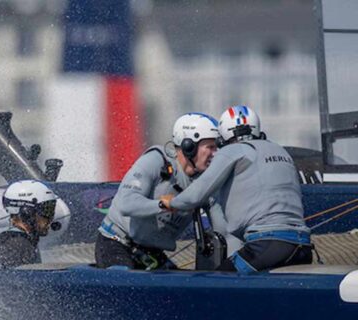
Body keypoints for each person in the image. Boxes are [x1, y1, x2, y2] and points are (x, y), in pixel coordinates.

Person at [161, 105, 312, 272]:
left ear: (222, 138)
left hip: (267, 245)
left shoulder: (232, 151)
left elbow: (196, 195)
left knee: (219, 284)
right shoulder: (281, 151)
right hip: (303, 246)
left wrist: (170, 203)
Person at [96, 113, 220, 269]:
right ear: (189, 145)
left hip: (151, 254)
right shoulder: (156, 160)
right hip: (116, 244)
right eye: (210, 147)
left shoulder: (207, 181)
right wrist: (163, 204)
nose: (215, 153)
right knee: (127, 284)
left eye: (217, 147)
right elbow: (126, 204)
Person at [0, 180, 59, 268]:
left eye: (51, 210)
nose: (50, 217)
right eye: (46, 211)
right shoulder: (19, 244)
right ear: (27, 213)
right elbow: (26, 282)